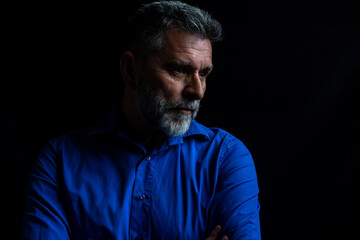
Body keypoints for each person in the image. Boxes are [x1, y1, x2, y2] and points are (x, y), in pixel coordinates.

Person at [20, 1, 261, 239]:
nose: (197, 91)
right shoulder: (60, 161)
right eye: (179, 70)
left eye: (203, 73)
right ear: (130, 70)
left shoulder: (225, 159)